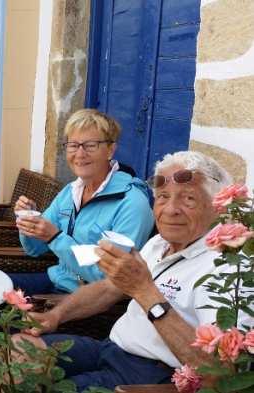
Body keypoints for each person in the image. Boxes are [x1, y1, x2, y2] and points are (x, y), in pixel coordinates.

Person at [14, 151, 252, 391]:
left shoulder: (229, 269)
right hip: (111, 348)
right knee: (18, 350)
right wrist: (57, 315)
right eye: (162, 197)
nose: (170, 210)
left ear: (217, 208)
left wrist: (146, 292)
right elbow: (108, 289)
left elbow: (220, 375)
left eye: (188, 199)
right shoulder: (158, 244)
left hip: (151, 375)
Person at [13, 109, 154, 295]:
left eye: (90, 145)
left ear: (110, 150)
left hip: (88, 300)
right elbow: (34, 249)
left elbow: (111, 278)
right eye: (73, 145)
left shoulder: (132, 203)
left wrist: (55, 237)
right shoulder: (70, 191)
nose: (80, 153)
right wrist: (29, 221)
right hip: (57, 279)